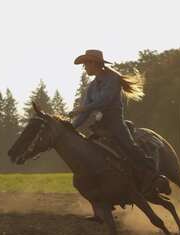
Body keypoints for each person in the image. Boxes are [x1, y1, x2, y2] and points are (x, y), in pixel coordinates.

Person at [70, 49, 166, 194]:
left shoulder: (113, 79)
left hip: (115, 122)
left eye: (85, 64)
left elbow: (104, 100)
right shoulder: (92, 86)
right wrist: (71, 127)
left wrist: (82, 108)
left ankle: (151, 171)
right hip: (100, 125)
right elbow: (85, 113)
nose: (84, 67)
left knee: (129, 146)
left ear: (94, 63)